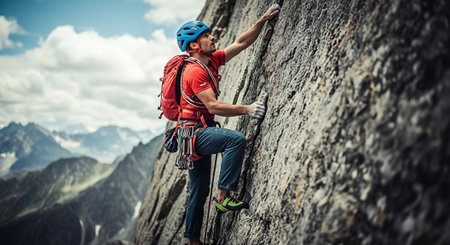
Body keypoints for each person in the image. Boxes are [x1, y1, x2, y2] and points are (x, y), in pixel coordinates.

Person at [175, 4, 281, 245]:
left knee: (199, 192)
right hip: (194, 133)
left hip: (191, 134)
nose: (212, 37)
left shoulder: (211, 61)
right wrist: (248, 109)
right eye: (205, 36)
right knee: (235, 140)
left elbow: (241, 43)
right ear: (193, 45)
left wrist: (262, 20)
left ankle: (193, 242)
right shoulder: (194, 72)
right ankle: (223, 198)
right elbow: (212, 106)